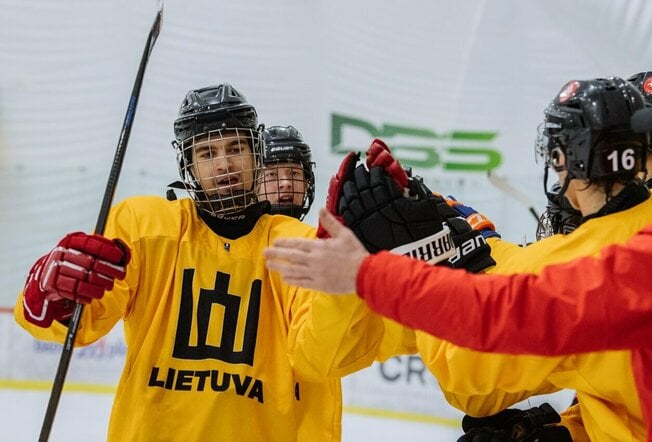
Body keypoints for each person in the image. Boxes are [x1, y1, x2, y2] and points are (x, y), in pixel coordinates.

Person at [266, 77, 652, 441]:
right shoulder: (639, 236)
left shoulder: (591, 262)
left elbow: (470, 377)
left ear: (565, 159)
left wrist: (411, 263)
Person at [14, 82, 386, 442]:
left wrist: (348, 285)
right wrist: (56, 295)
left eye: (235, 147)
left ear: (256, 152)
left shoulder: (297, 244)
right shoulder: (145, 227)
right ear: (187, 164)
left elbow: (321, 357)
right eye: (207, 153)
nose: (224, 164)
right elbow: (86, 323)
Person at [264, 208, 652, 441]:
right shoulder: (638, 247)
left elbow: (474, 374)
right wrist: (564, 433)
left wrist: (369, 273)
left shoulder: (634, 263)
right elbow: (627, 399)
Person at [256, 125, 315, 221]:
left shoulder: (316, 235)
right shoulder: (238, 236)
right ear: (254, 187)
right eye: (271, 174)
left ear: (307, 184)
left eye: (294, 173)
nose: (286, 183)